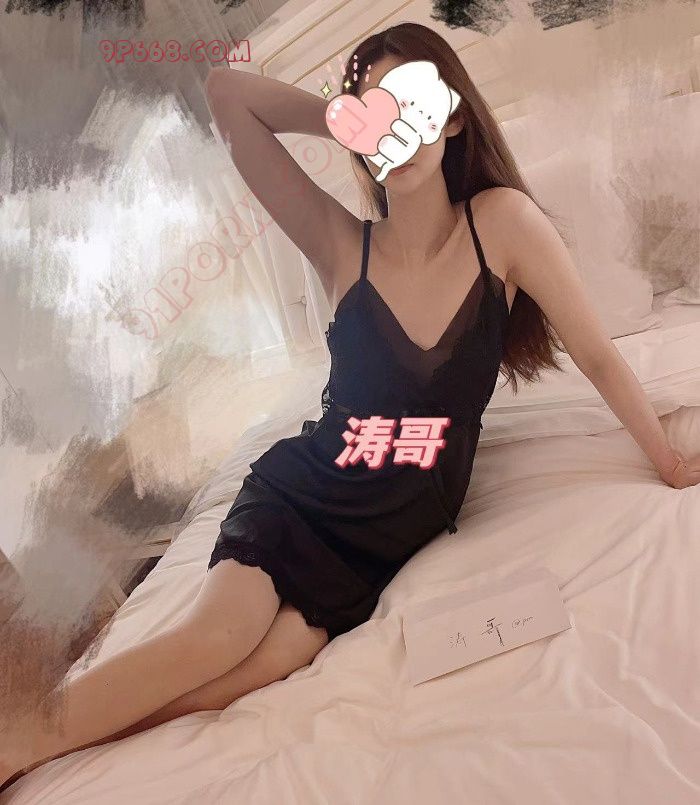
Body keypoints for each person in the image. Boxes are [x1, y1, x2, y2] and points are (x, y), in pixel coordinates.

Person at [3, 20, 698, 793]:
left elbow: (596, 353)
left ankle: (38, 739)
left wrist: (667, 459)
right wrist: (341, 117)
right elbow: (227, 93)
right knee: (220, 634)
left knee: (267, 664)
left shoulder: (502, 224)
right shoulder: (342, 244)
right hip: (302, 494)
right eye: (374, 109)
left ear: (454, 117)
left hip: (387, 530)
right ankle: (15, 741)